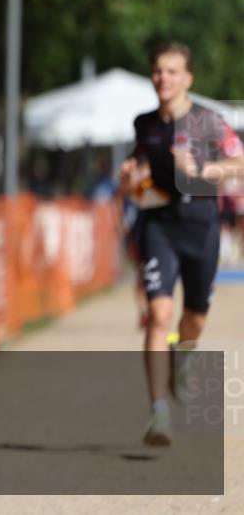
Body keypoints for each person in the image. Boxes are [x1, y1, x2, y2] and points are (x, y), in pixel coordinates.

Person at [118, 41, 244, 446]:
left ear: (188, 78)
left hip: (201, 229)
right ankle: (158, 413)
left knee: (194, 322)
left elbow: (240, 163)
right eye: (158, 71)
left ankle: (184, 353)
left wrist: (205, 169)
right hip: (159, 227)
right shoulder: (145, 124)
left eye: (172, 72)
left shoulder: (209, 121)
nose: (163, 79)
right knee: (158, 314)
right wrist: (130, 177)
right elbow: (141, 173)